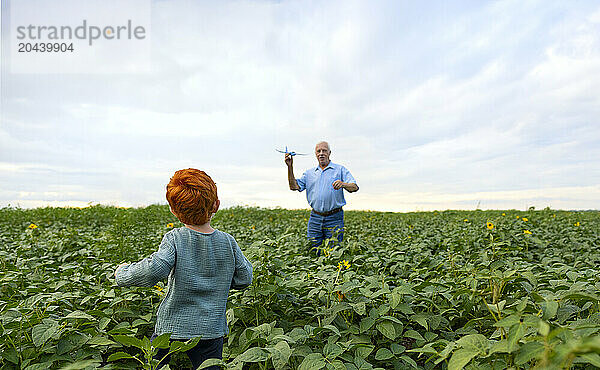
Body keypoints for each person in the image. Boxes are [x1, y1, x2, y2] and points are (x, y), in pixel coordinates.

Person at [114, 168, 253, 369]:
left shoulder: (175, 238)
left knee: (155, 365)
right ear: (216, 205)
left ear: (173, 210)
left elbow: (154, 269)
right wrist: (219, 281)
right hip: (210, 329)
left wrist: (122, 273)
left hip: (171, 328)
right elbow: (245, 277)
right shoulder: (228, 242)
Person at [285, 141, 358, 253]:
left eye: (324, 150)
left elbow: (354, 187)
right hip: (315, 217)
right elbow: (294, 186)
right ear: (315, 154)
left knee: (335, 253)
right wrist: (290, 167)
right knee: (312, 251)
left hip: (335, 218)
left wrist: (343, 184)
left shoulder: (340, 170)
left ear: (329, 153)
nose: (321, 153)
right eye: (318, 151)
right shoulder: (309, 173)